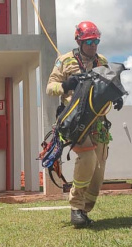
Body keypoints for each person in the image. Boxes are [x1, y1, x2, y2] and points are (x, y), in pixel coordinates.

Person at [46, 20, 124, 228]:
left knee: (98, 171)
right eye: (89, 41)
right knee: (87, 159)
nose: (93, 45)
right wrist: (65, 85)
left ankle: (85, 209)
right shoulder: (64, 61)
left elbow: (110, 84)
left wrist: (116, 96)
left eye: (96, 40)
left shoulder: (102, 61)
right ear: (79, 41)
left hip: (98, 121)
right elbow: (49, 88)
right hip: (76, 122)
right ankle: (76, 207)